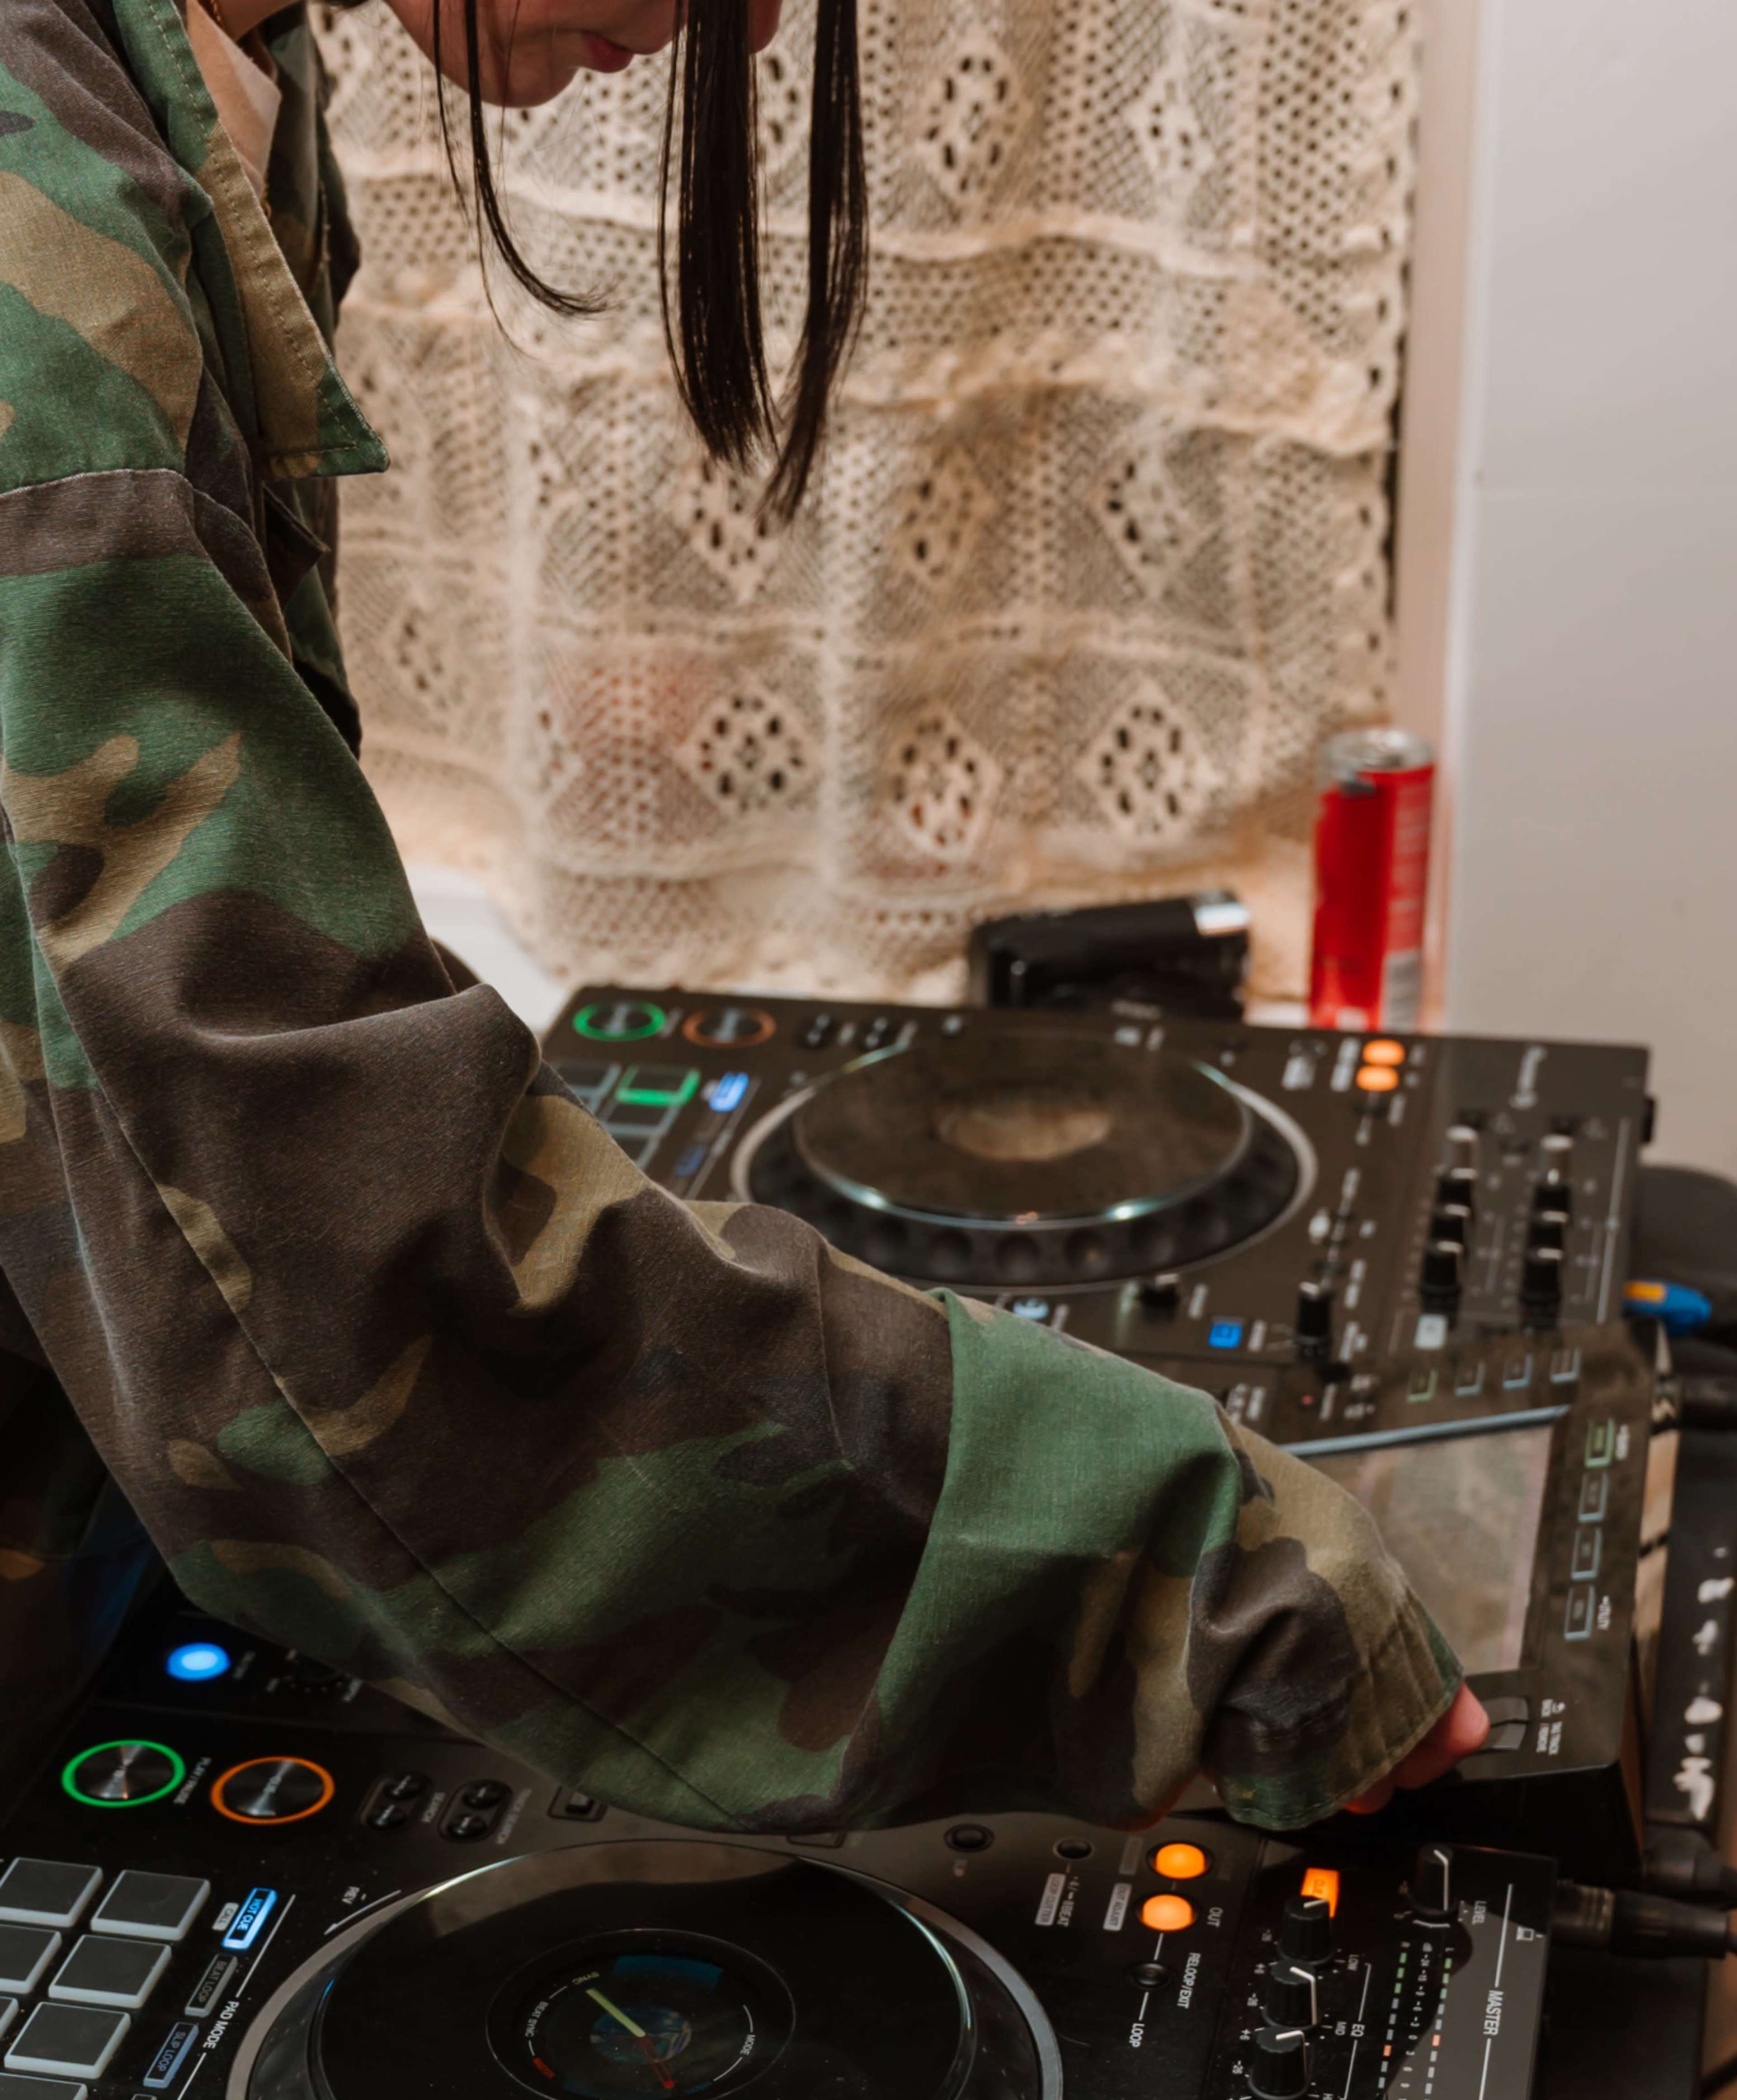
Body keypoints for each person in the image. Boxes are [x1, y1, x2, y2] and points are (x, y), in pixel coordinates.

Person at [0, 0, 1486, 1835]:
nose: (770, 20)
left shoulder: (204, 89)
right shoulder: (36, 258)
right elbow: (334, 1326)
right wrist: (1236, 1579)